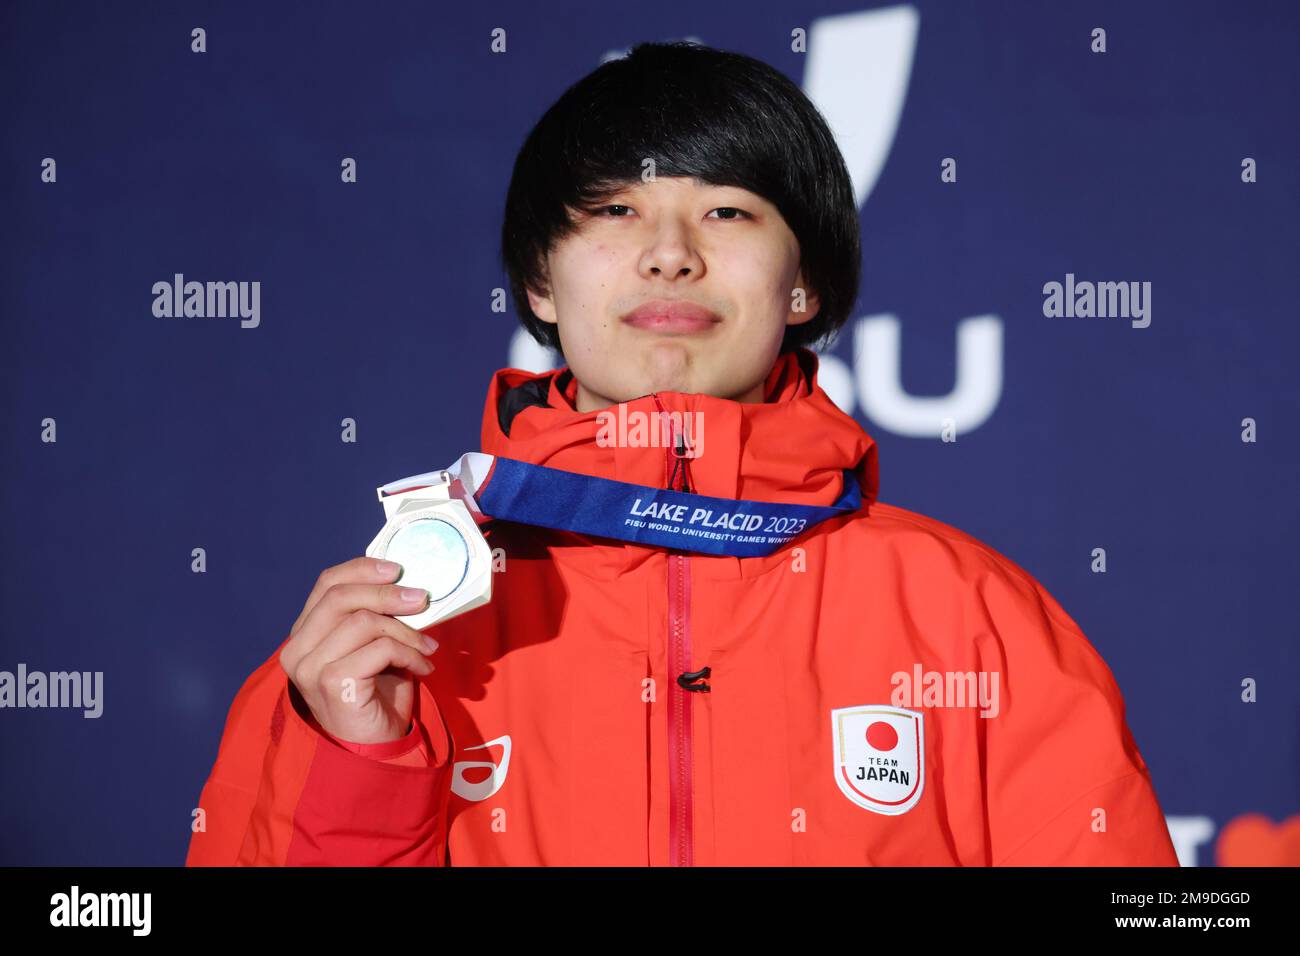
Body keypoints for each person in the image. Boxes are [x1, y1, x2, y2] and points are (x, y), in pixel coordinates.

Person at [186, 40, 1178, 866]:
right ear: (538, 281)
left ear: (804, 288)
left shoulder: (974, 619)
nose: (669, 252)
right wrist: (360, 764)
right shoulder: (387, 626)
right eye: (614, 211)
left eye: (728, 211)